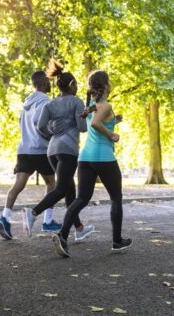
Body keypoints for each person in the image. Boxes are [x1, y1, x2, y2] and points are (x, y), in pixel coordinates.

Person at [52, 70, 132, 257]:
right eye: (109, 82)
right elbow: (96, 124)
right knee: (115, 198)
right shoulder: (104, 105)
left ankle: (62, 235)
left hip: (85, 158)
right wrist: (112, 134)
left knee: (81, 199)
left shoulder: (91, 106)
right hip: (103, 158)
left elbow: (94, 120)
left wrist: (114, 122)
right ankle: (117, 241)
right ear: (105, 86)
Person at [22, 60, 94, 241]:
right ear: (71, 85)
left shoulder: (50, 104)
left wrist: (53, 132)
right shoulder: (76, 102)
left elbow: (40, 126)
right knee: (62, 189)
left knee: (70, 191)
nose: (78, 87)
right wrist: (82, 116)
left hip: (52, 151)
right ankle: (33, 213)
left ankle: (79, 229)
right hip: (68, 150)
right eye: (76, 83)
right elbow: (82, 128)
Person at [0, 71, 59, 240]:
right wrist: (50, 135)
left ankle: (5, 217)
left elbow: (20, 124)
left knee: (17, 186)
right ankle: (48, 221)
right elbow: (41, 124)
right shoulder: (45, 101)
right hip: (41, 150)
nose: (50, 83)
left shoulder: (26, 103)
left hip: (24, 149)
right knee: (52, 184)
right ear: (44, 82)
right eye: (48, 81)